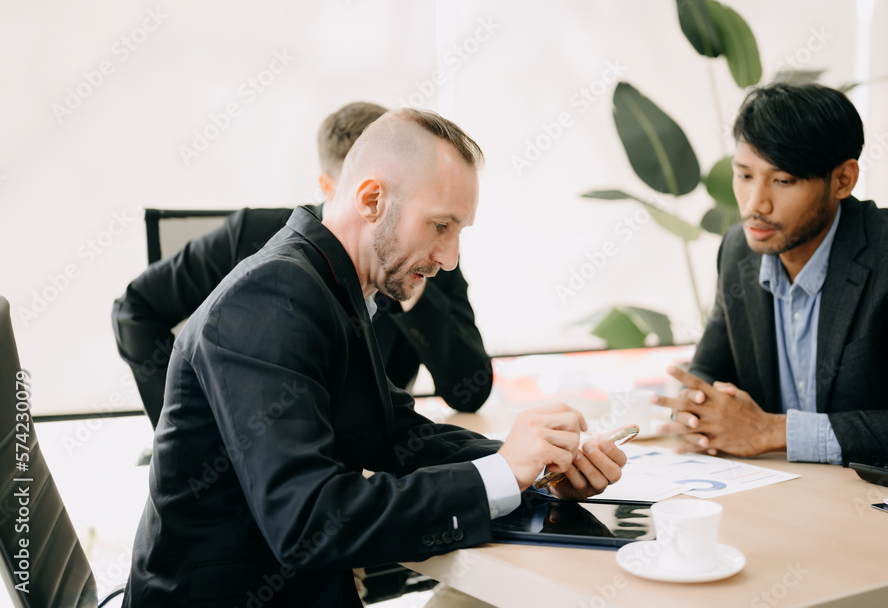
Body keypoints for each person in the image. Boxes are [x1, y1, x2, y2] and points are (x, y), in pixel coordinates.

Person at [122, 108, 626, 607]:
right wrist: (502, 474)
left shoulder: (330, 285)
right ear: (371, 200)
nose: (449, 258)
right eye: (440, 226)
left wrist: (535, 465)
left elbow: (396, 433)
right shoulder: (273, 297)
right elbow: (309, 522)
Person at [657, 83, 888, 482]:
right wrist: (697, 406)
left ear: (843, 179)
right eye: (744, 175)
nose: (754, 204)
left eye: (782, 181)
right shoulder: (739, 249)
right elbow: (709, 368)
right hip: (795, 493)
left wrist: (772, 431)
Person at [112, 102, 492, 424]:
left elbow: (470, 391)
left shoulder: (430, 251)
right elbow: (135, 310)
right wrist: (196, 425)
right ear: (336, 189)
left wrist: (407, 283)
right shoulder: (253, 242)